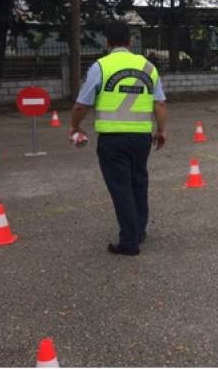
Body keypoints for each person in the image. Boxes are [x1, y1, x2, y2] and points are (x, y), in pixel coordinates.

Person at [69, 21, 167, 256]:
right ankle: (139, 230)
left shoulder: (100, 67)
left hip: (112, 139)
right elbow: (160, 103)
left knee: (120, 187)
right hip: (141, 137)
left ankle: (129, 242)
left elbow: (82, 104)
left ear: (108, 42)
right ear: (131, 42)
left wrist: (74, 125)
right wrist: (161, 131)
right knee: (139, 183)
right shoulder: (148, 67)